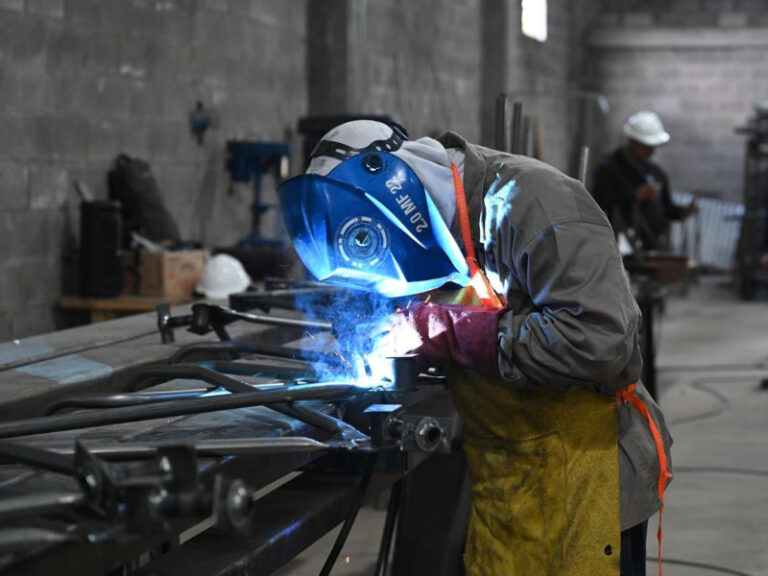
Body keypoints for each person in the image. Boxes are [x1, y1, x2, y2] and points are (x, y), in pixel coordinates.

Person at [279, 120, 673, 576]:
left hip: (589, 470)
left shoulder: (538, 206)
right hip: (504, 473)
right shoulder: (426, 224)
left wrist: (441, 331)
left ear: (391, 185)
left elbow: (597, 342)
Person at [594, 110, 696, 251]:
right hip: (619, 246)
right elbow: (599, 202)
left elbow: (668, 209)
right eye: (647, 147)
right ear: (634, 142)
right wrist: (635, 196)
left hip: (651, 245)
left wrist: (683, 211)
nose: (651, 152)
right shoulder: (609, 169)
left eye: (653, 147)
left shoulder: (656, 172)